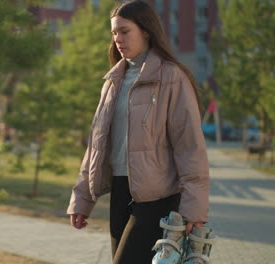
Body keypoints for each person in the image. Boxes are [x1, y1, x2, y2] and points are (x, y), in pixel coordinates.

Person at [66, 1, 210, 263]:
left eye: (124, 31)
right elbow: (96, 146)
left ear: (145, 30)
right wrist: (82, 199)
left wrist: (194, 210)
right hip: (121, 191)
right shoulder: (113, 81)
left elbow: (190, 146)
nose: (117, 39)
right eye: (113, 33)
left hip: (158, 197)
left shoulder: (171, 77)